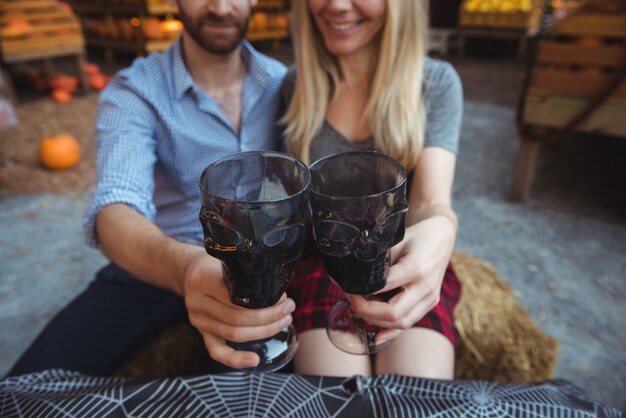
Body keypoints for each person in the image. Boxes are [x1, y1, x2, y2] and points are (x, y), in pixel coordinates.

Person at [8, 0, 293, 376]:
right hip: (160, 260)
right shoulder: (136, 89)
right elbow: (115, 208)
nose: (221, 8)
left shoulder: (283, 83)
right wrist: (188, 266)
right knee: (31, 383)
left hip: (259, 264)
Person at [282, 0, 463, 378]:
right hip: (323, 262)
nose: (337, 6)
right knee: (340, 400)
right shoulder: (294, 86)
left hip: (399, 257)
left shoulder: (435, 83)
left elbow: (430, 200)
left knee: (415, 396)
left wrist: (442, 227)